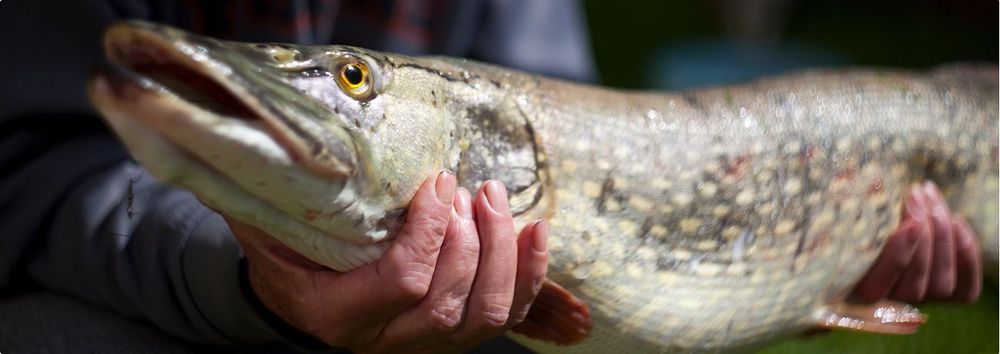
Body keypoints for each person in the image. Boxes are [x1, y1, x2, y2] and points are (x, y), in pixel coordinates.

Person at [0, 0, 980, 353]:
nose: (346, 88)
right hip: (155, 309)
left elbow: (560, 109)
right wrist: (243, 277)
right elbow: (31, 164)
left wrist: (832, 249)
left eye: (352, 83)